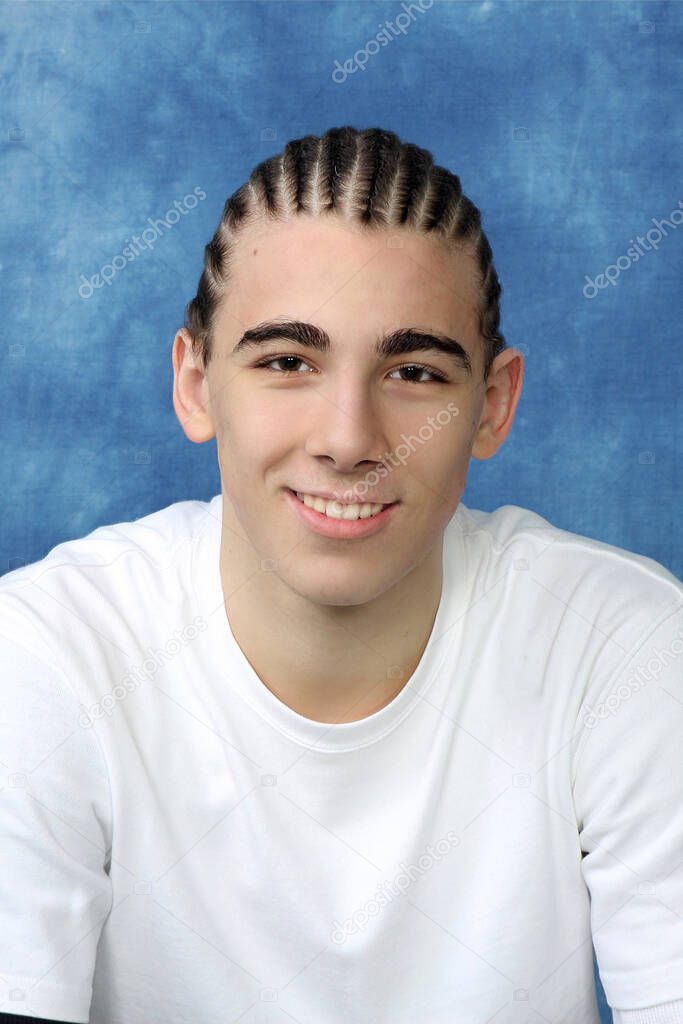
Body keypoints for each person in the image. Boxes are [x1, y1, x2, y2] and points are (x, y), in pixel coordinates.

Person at [1, 125, 681, 1024]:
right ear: (197, 385)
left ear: (494, 403)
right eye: (288, 362)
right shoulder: (47, 653)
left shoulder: (623, 648)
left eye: (413, 370)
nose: (350, 439)